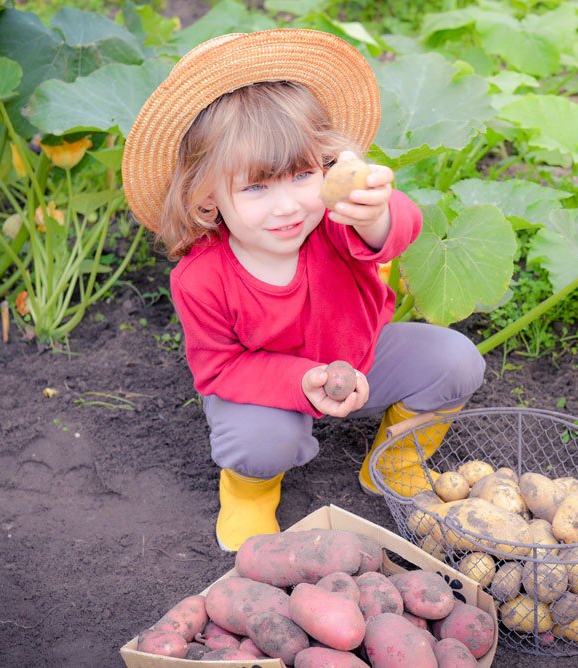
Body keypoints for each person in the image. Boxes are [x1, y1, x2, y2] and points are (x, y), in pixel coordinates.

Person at [121, 29, 485, 552]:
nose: (288, 206)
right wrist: (302, 379)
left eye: (301, 176)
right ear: (206, 197)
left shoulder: (333, 220)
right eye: (256, 187)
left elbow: (392, 236)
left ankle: (396, 460)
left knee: (455, 360)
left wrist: (378, 213)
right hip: (265, 391)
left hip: (362, 359)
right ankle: (250, 493)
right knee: (262, 441)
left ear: (326, 166)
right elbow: (219, 369)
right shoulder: (202, 277)